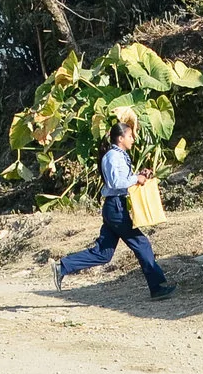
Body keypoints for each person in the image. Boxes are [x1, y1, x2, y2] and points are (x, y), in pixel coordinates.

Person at [55, 107, 175, 299]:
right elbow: (115, 183)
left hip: (115, 206)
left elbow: (121, 179)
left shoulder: (118, 155)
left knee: (103, 254)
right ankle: (157, 287)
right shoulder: (113, 156)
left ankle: (63, 266)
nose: (133, 139)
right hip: (115, 207)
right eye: (130, 136)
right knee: (141, 243)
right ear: (120, 138)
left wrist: (140, 176)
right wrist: (136, 178)